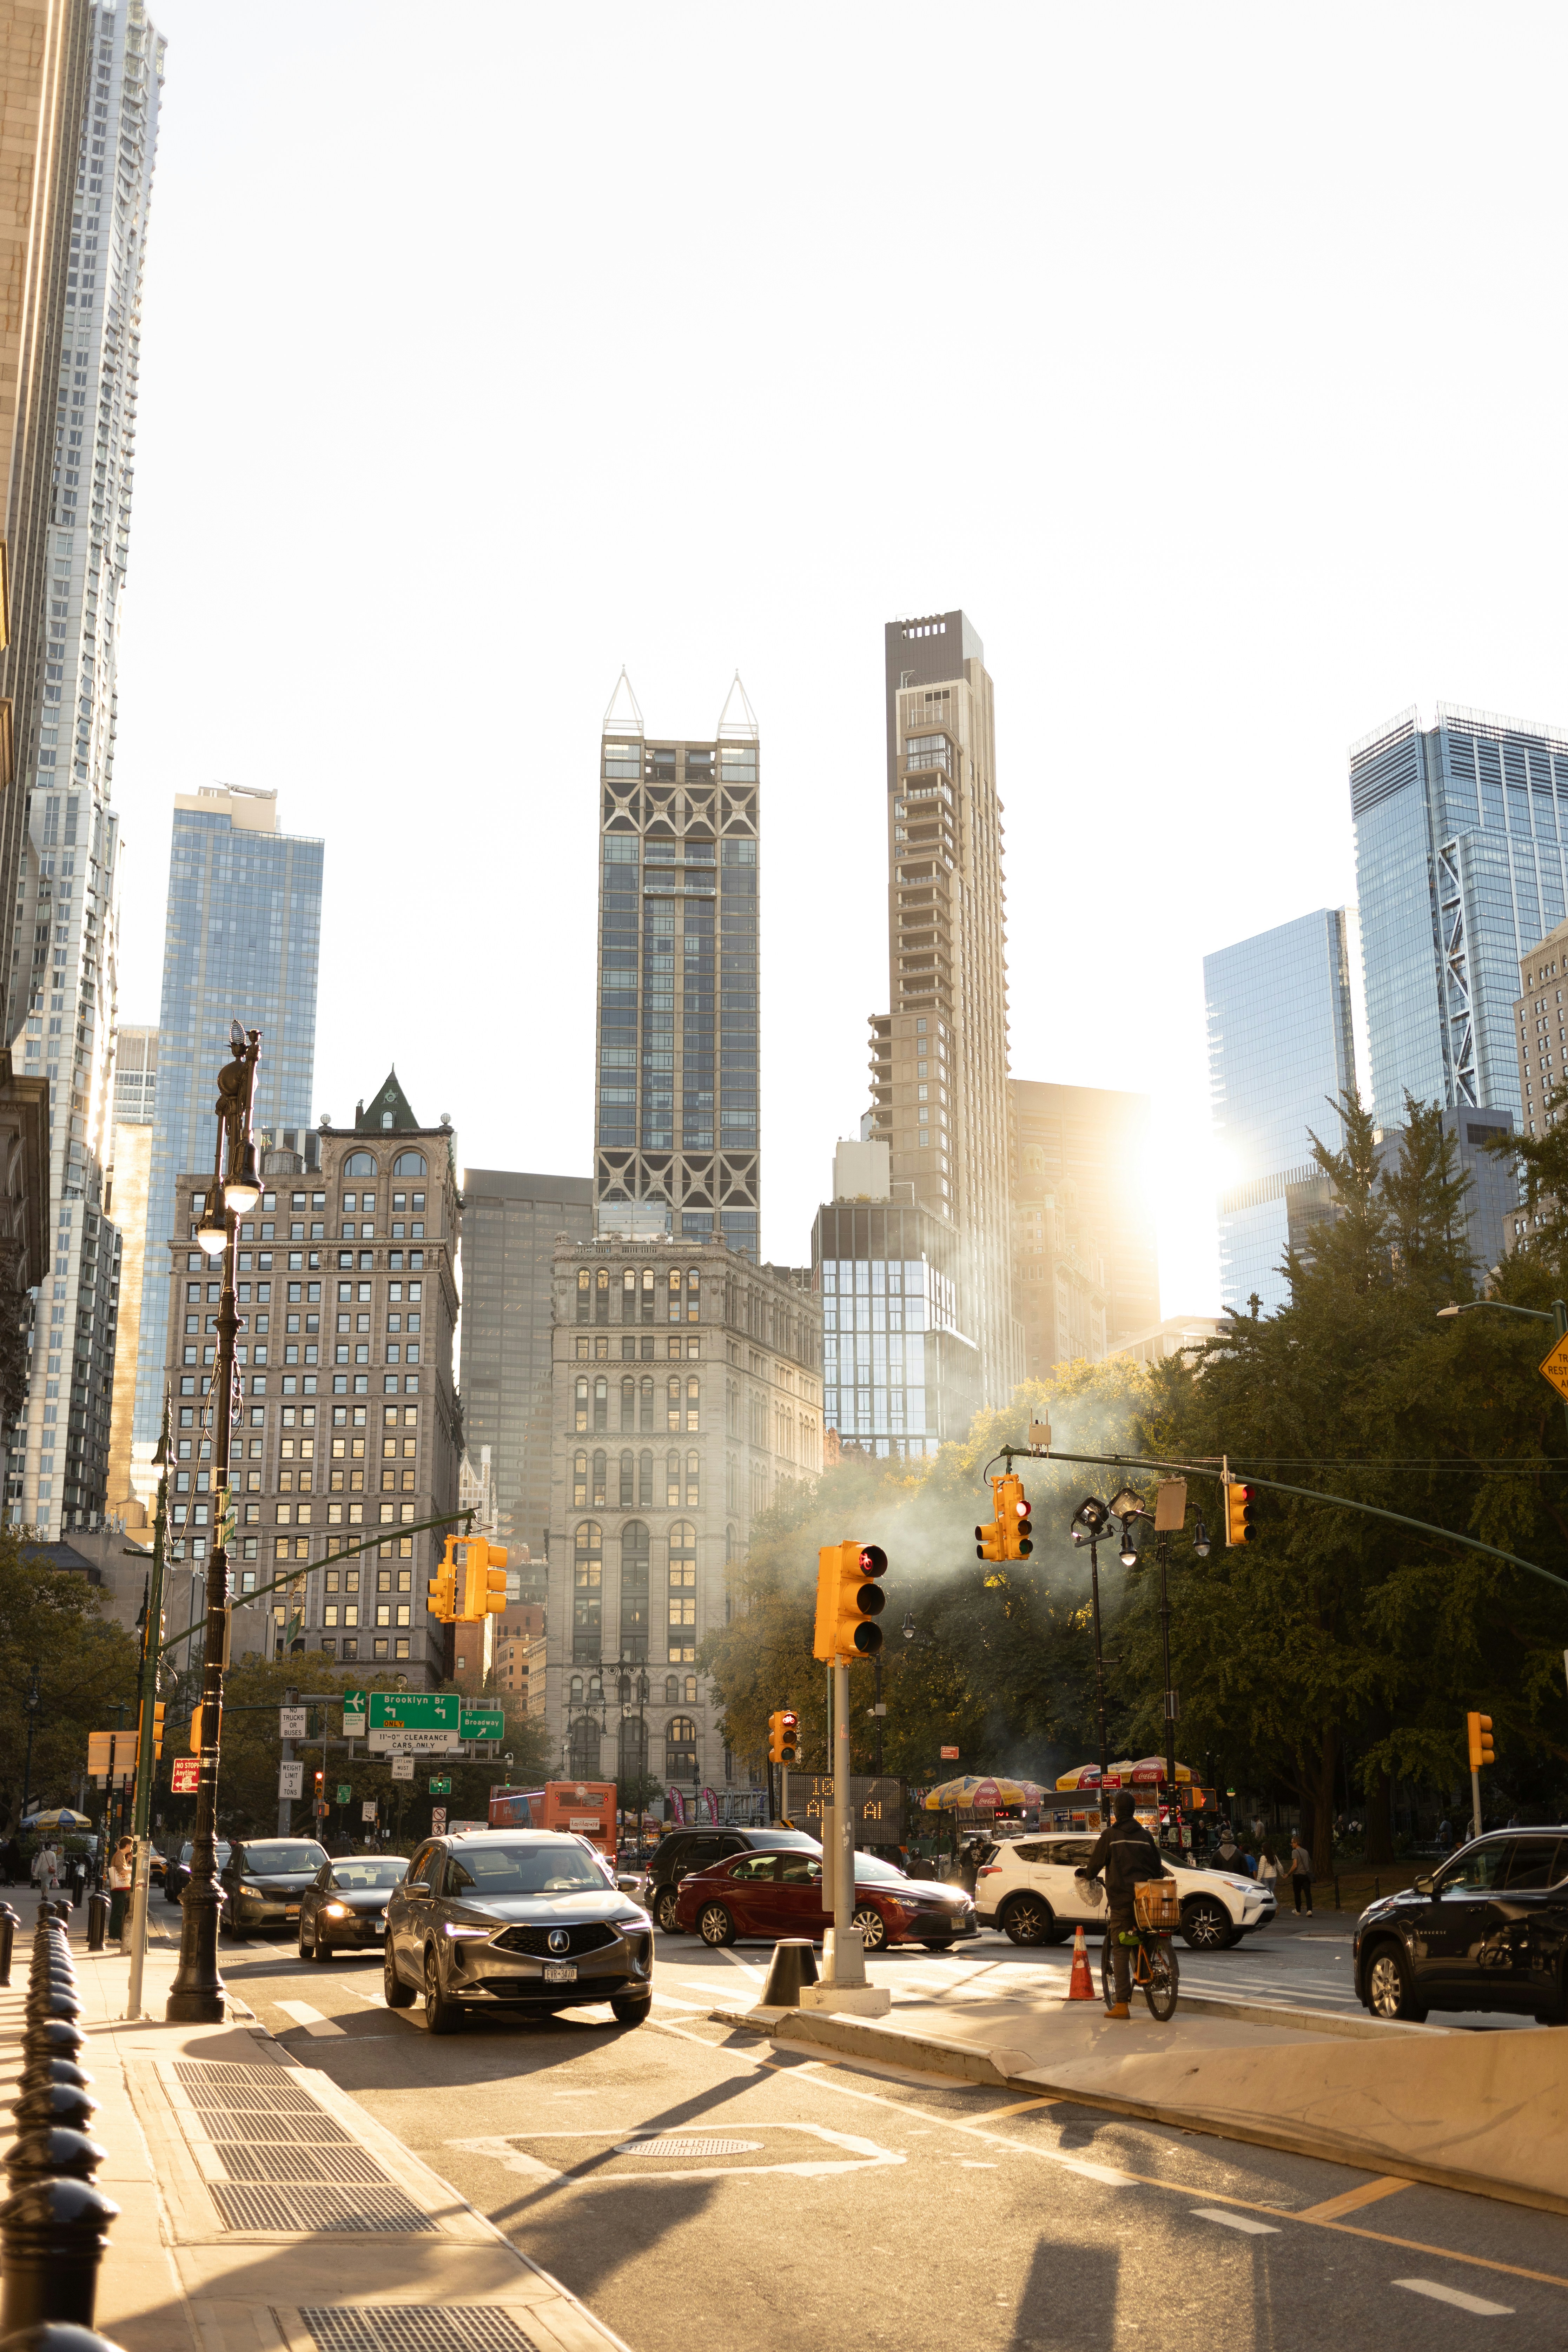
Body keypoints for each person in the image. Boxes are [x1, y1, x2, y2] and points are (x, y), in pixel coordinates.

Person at [1081, 1790, 1170, 2018]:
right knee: (1147, 1934)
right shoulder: (1146, 1836)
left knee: (1120, 1945)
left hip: (1121, 1900)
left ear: (1115, 1811)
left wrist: (1087, 1875)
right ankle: (1145, 1971)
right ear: (1132, 1810)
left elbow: (1094, 1866)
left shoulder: (1110, 1835)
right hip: (1147, 1898)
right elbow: (1158, 1867)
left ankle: (1121, 2004)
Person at [107, 1837, 134, 1941]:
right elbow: (121, 1871)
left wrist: (128, 1863)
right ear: (127, 1846)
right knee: (117, 1913)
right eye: (131, 1845)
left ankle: (115, 1936)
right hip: (118, 1889)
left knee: (118, 1912)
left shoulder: (121, 1855)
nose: (131, 1848)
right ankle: (113, 1937)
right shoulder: (120, 1855)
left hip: (119, 1889)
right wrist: (132, 1870)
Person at [1289, 1828, 1313, 1916]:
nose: (1291, 1844)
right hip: (1306, 1875)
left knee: (1297, 1893)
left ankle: (1298, 1911)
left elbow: (1295, 1865)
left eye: (1292, 1842)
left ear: (1296, 1843)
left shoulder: (1295, 1852)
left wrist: (1289, 1874)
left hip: (1298, 1875)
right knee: (1308, 1893)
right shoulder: (1306, 1852)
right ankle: (1309, 1910)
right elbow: (1308, 1863)